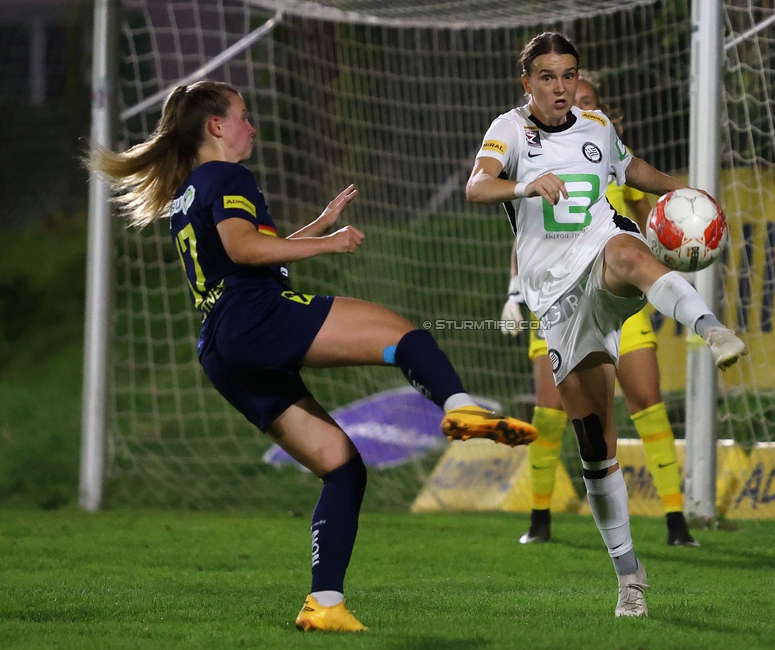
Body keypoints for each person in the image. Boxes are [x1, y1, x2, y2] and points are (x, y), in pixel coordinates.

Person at [88, 79, 537, 633]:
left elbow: (245, 259)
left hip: (222, 348)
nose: (251, 126)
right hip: (255, 317)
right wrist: (330, 243)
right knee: (406, 336)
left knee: (342, 466)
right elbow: (243, 249)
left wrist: (318, 225)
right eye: (242, 116)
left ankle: (325, 604)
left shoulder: (189, 190)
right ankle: (463, 407)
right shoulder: (227, 175)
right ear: (215, 127)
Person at [466, 33, 746, 617]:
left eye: (568, 75)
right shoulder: (510, 130)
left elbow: (629, 166)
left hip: (599, 256)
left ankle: (712, 328)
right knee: (596, 446)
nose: (561, 87)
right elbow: (477, 185)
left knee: (629, 253)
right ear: (528, 83)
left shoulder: (595, 125)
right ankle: (629, 576)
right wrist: (524, 185)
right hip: (556, 300)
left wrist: (680, 188)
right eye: (548, 77)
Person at [500, 73, 698, 548]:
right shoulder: (536, 158)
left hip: (614, 301)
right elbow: (526, 239)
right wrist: (512, 292)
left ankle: (676, 522)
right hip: (555, 299)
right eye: (570, 94)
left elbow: (659, 228)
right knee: (551, 412)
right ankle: (540, 517)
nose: (577, 103)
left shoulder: (615, 169)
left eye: (588, 100)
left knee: (648, 403)